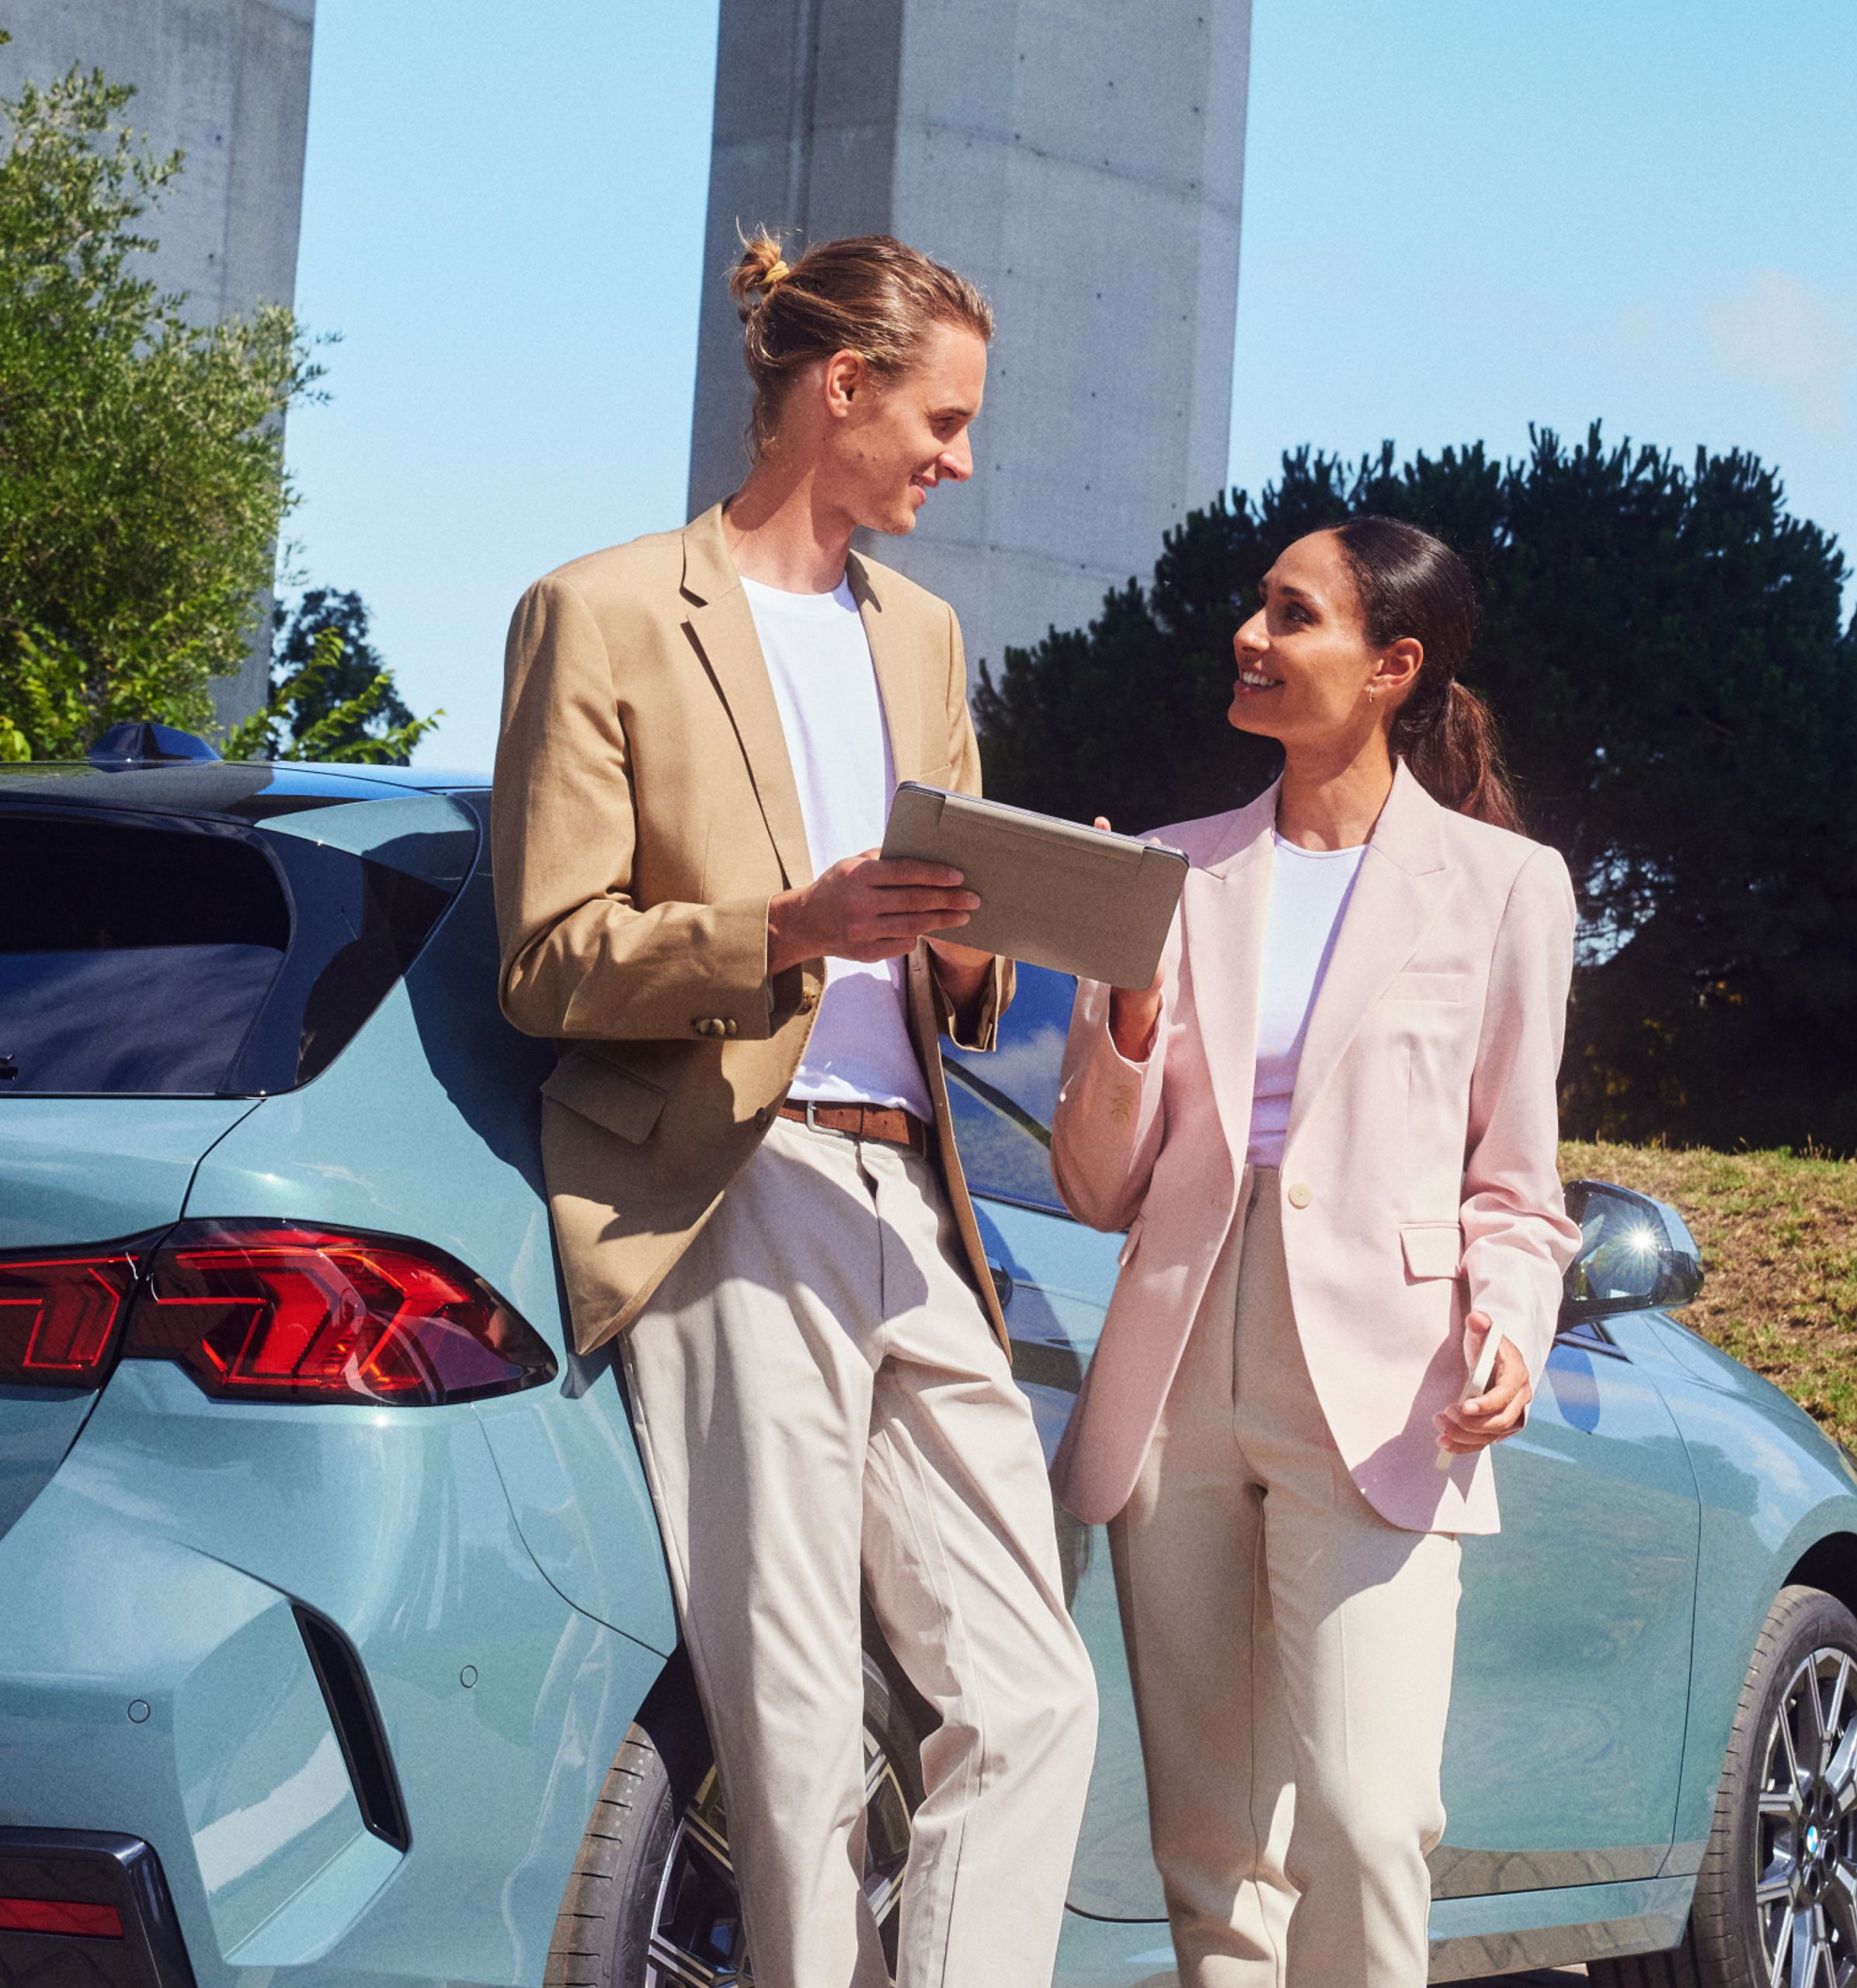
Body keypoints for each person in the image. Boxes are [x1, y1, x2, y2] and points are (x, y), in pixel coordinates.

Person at [492, 232, 1096, 1988]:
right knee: (797, 1714)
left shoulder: (920, 632)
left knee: (1032, 1688)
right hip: (730, 1183)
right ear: (839, 388)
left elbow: (951, 954)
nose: (960, 463)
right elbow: (546, 954)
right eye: (944, 417)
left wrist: (1031, 941)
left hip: (916, 1198)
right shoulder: (599, 611)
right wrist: (787, 930)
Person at [1049, 517, 1581, 1988]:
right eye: (1255, 609)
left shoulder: (1504, 887)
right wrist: (1129, 1023)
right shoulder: (1170, 869)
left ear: (1392, 666)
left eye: (1295, 616)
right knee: (1212, 1846)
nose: (1252, 636)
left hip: (1389, 1383)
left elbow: (1517, 1185)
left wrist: (1516, 1329)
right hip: (1176, 1370)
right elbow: (1097, 1182)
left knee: (1366, 1814)